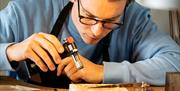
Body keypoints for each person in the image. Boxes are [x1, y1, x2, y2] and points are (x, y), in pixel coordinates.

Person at [0, 0, 180, 87]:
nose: (97, 31)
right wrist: (11, 51)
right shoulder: (24, 11)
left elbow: (175, 62)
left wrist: (103, 72)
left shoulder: (134, 17)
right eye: (88, 16)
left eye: (111, 21)